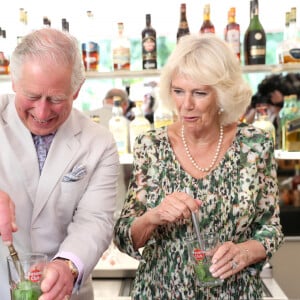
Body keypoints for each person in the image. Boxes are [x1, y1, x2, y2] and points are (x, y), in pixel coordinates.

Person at [113, 33, 283, 299]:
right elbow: (124, 235)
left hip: (234, 293)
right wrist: (152, 216)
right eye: (178, 91)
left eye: (199, 93)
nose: (186, 105)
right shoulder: (151, 146)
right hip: (161, 292)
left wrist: (244, 252)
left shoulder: (255, 144)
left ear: (222, 94)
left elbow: (271, 228)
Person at [0, 28, 119, 300]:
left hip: (64, 292)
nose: (42, 113)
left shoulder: (98, 141)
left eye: (55, 99)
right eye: (32, 96)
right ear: (14, 82)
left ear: (76, 90)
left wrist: (67, 266)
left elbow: (95, 220)